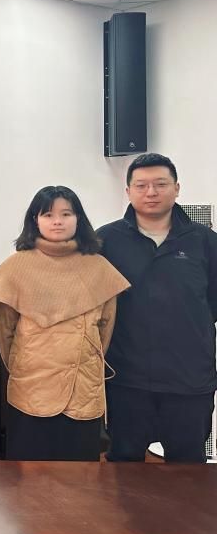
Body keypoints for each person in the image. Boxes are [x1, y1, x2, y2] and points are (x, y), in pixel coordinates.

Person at [0, 186, 129, 461]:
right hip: (31, 386)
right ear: (35, 220)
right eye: (48, 214)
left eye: (66, 214)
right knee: (28, 475)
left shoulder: (99, 267)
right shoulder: (14, 268)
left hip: (82, 387)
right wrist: (26, 363)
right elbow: (4, 333)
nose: (58, 221)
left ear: (78, 219)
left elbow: (105, 331)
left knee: (80, 476)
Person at [98, 153, 217, 463]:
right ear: (128, 191)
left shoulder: (205, 241)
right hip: (125, 380)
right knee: (124, 469)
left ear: (176, 188)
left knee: (188, 471)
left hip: (189, 380)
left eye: (161, 184)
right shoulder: (106, 241)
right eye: (141, 185)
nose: (151, 192)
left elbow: (212, 304)